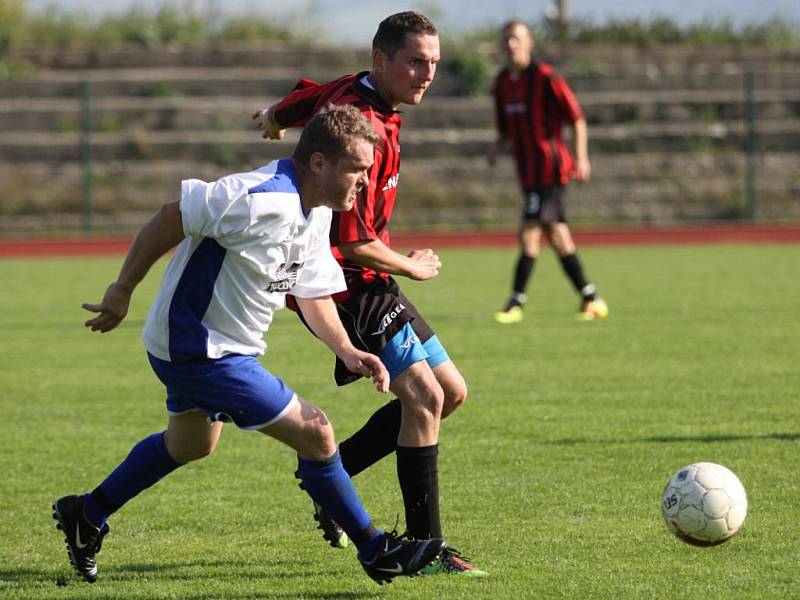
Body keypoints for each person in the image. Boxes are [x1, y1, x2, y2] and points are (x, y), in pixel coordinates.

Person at [51, 105, 445, 586]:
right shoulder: (259, 197)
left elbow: (312, 290)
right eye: (357, 169)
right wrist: (123, 287)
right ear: (318, 163)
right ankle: (375, 548)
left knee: (190, 444)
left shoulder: (319, 210)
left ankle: (86, 514)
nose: (364, 181)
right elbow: (169, 217)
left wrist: (347, 349)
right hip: (202, 349)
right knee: (317, 432)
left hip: (213, 347)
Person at [252, 12, 485, 576]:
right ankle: (428, 549)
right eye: (414, 62)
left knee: (450, 394)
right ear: (380, 59)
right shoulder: (362, 127)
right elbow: (354, 243)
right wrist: (412, 265)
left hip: (369, 281)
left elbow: (309, 98)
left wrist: (273, 117)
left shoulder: (352, 92)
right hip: (342, 283)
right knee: (426, 399)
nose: (426, 73)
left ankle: (329, 479)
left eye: (433, 62)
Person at [487, 20, 609, 324]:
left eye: (516, 39)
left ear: (529, 44)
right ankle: (591, 297)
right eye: (506, 40)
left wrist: (581, 157)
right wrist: (496, 146)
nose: (511, 45)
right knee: (557, 236)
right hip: (527, 173)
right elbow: (504, 126)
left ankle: (515, 302)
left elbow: (576, 118)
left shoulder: (545, 77)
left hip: (551, 169)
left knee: (529, 233)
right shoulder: (502, 82)